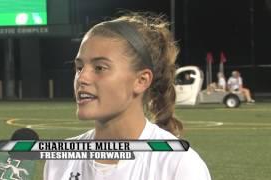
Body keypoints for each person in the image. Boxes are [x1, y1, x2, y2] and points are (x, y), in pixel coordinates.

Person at [44, 12, 211, 180]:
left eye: (100, 68)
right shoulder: (60, 160)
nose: (82, 78)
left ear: (141, 80)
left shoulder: (179, 166)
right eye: (79, 67)